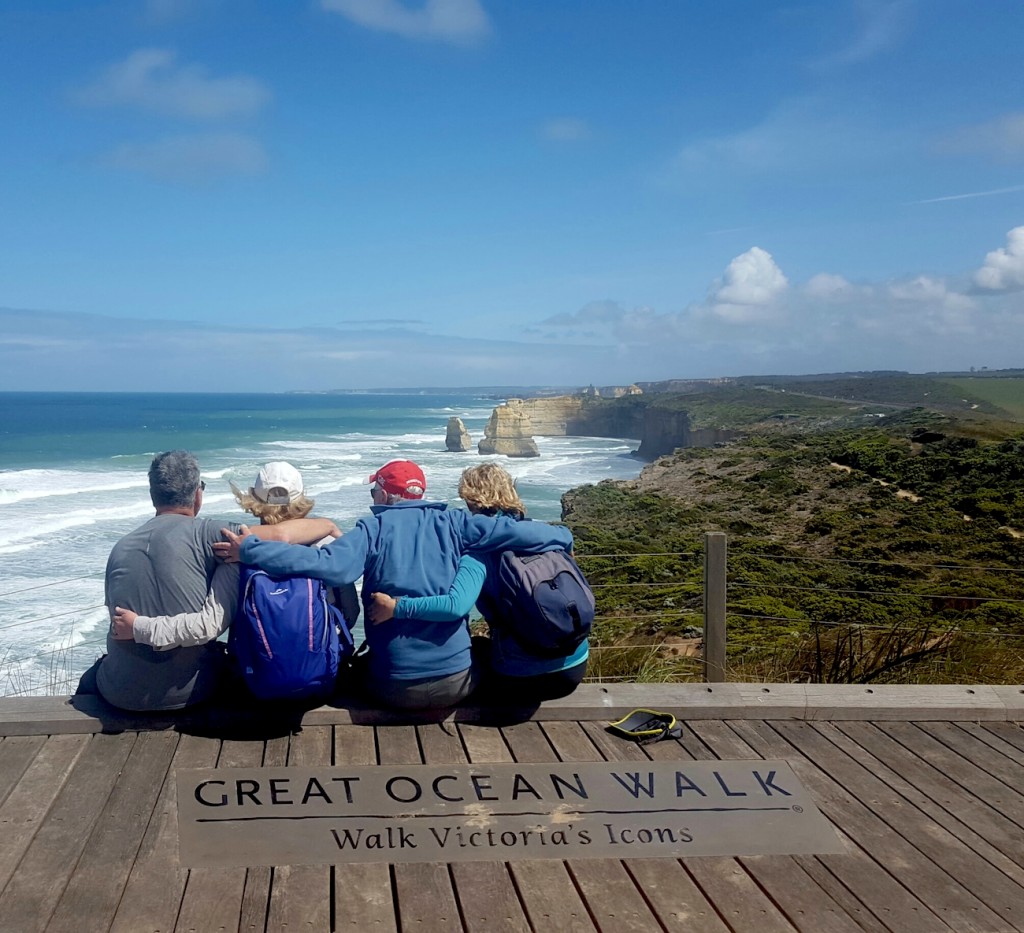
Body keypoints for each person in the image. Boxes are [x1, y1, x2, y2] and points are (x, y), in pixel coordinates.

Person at [216, 459, 573, 710]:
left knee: (356, 670)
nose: (373, 496)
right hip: (457, 685)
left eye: (375, 489)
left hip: (391, 689)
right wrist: (562, 535)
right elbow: (517, 532)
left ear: (385, 495)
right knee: (480, 650)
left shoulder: (372, 530)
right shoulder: (457, 523)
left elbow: (327, 566)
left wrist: (251, 550)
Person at [92, 451, 338, 712]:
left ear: (152, 493)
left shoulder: (119, 548)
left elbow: (115, 618)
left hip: (119, 694)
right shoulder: (218, 536)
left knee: (95, 673)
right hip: (196, 692)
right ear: (198, 494)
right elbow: (279, 535)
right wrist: (328, 526)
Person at [368, 463, 588, 702]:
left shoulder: (479, 552)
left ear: (472, 501)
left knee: (474, 651)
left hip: (525, 678)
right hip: (575, 665)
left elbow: (455, 605)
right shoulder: (542, 535)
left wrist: (396, 607)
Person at [110, 460, 359, 653]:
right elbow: (351, 611)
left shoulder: (235, 550)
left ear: (254, 501)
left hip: (257, 676)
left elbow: (214, 623)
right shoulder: (328, 543)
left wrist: (141, 628)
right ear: (302, 498)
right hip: (325, 670)